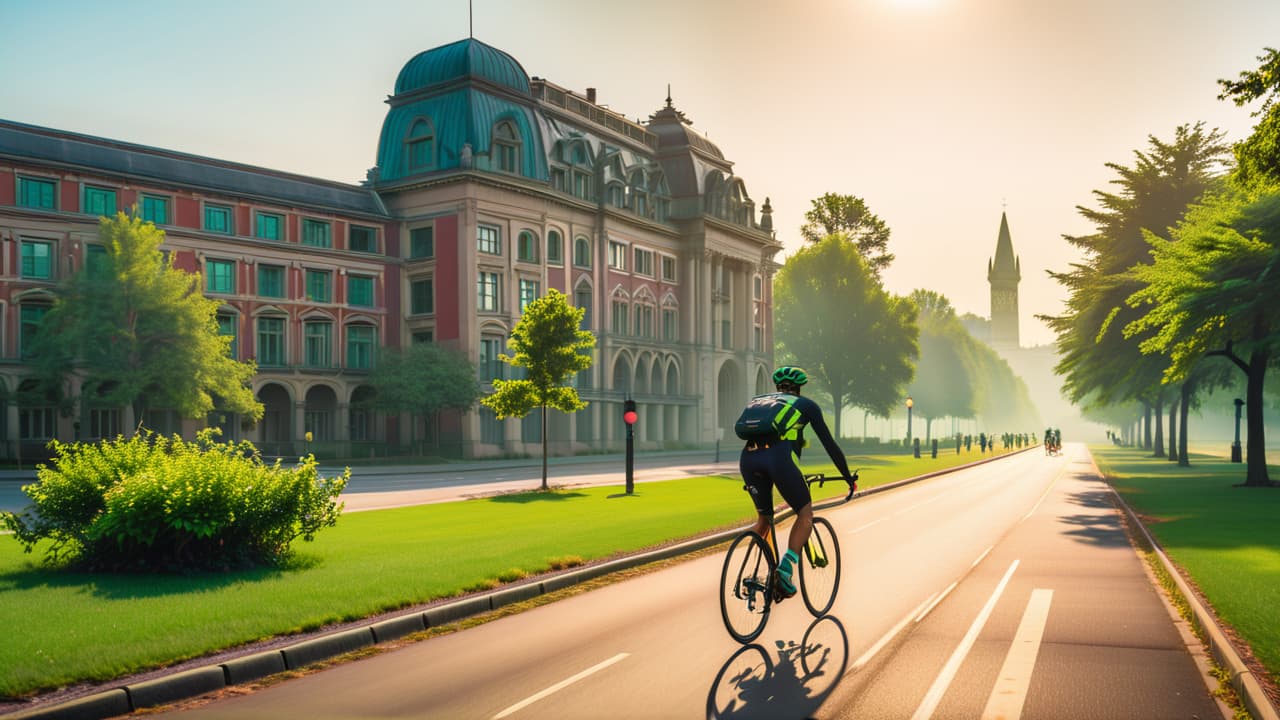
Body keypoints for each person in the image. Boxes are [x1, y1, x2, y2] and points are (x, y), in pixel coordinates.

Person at [739, 366, 856, 601]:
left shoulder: (760, 402)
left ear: (778, 387)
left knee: (763, 521)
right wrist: (847, 477)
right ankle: (785, 568)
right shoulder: (806, 406)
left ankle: (746, 571)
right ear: (799, 388)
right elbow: (829, 444)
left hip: (748, 461)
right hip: (778, 461)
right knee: (805, 514)